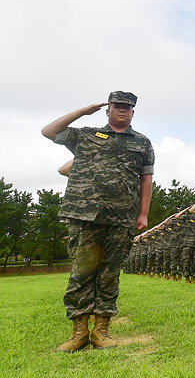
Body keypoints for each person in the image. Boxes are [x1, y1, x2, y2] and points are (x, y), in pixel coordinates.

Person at [42, 91, 154, 352]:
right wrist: (82, 111)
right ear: (108, 110)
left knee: (109, 275)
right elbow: (49, 131)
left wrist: (143, 213)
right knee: (81, 273)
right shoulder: (86, 135)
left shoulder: (142, 143)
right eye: (117, 106)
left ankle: (101, 331)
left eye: (127, 107)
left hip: (121, 218)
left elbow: (145, 179)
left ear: (133, 113)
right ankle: (78, 332)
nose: (122, 111)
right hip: (85, 216)